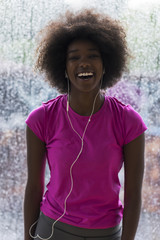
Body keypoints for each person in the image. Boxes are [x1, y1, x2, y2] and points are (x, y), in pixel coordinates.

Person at [24, 9, 147, 240]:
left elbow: (133, 196)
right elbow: (33, 189)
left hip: (107, 233)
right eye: (74, 57)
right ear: (62, 65)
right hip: (52, 230)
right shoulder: (41, 119)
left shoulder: (129, 122)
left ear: (106, 62)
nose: (84, 63)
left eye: (93, 56)